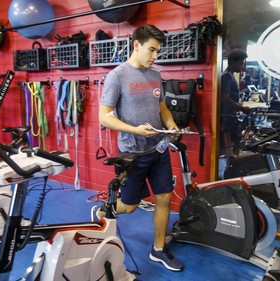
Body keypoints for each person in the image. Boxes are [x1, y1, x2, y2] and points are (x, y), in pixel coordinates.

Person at [97, 24, 183, 272]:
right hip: (133, 152)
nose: (155, 56)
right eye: (152, 50)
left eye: (158, 51)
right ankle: (106, 209)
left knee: (164, 198)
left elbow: (162, 107)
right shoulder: (117, 76)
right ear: (136, 45)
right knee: (131, 205)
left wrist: (172, 125)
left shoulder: (155, 75)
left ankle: (158, 249)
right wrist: (135, 130)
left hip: (159, 149)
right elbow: (104, 116)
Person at [220, 48, 251, 156]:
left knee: (234, 145)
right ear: (232, 61)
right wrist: (242, 108)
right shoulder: (227, 75)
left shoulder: (230, 75)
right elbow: (225, 98)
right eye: (240, 63)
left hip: (230, 115)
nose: (242, 66)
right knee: (233, 146)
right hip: (227, 117)